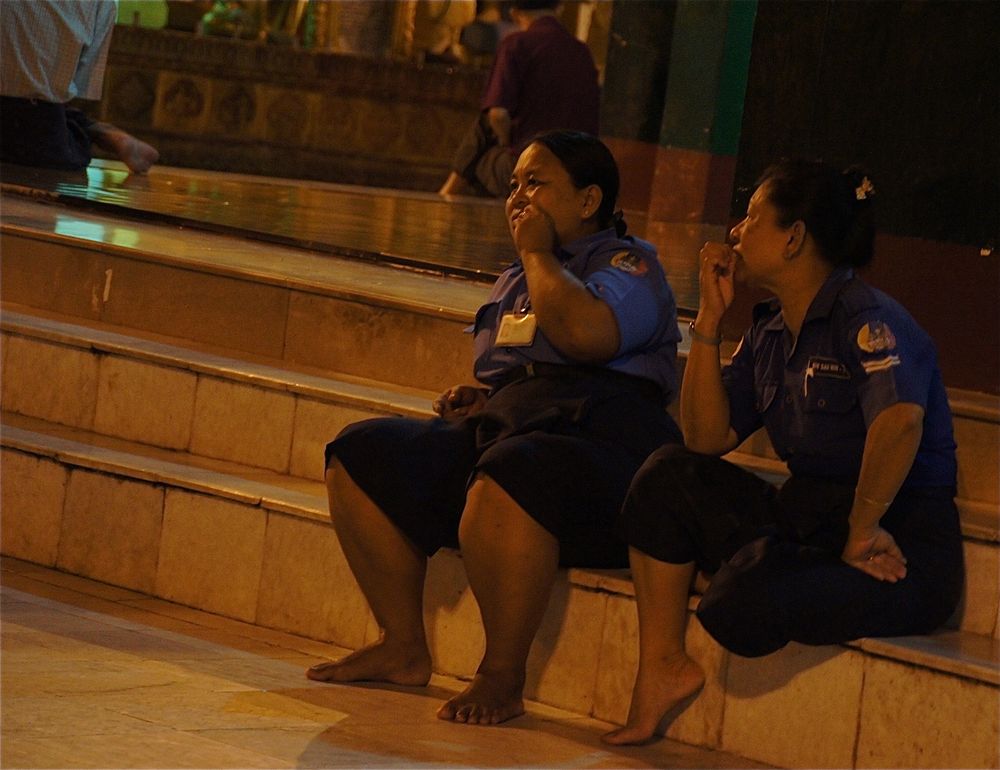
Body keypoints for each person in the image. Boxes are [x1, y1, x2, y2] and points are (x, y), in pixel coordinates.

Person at [308, 130, 683, 726]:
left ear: (588, 201)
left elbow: (588, 338)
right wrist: (487, 397)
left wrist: (537, 256)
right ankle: (402, 644)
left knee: (511, 471)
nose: (518, 198)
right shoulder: (522, 273)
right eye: (513, 185)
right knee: (362, 452)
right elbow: (523, 363)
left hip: (603, 440)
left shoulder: (626, 264)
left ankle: (503, 674)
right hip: (515, 423)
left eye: (536, 183)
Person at [603, 159, 964, 746]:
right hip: (812, 517)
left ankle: (736, 573)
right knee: (664, 474)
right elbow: (705, 438)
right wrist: (711, 321)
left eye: (751, 218)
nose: (737, 232)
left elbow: (900, 421)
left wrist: (863, 529)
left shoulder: (865, 318)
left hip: (895, 538)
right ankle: (660, 668)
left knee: (740, 602)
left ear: (794, 237)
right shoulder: (770, 329)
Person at [438, 0, 599, 198]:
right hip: (574, 172)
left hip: (529, 169)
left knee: (481, 153)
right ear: (559, 8)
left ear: (514, 14)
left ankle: (448, 194)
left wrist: (505, 143)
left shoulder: (516, 44)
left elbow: (498, 114)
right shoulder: (581, 51)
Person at [0, 0, 159, 173]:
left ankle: (93, 129)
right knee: (52, 110)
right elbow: (78, 84)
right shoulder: (106, 3)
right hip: (45, 138)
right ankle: (93, 130)